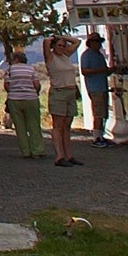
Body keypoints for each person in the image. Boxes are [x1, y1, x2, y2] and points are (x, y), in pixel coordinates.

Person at [44, 33, 82, 166]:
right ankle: (59, 156)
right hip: (58, 92)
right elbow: (46, 42)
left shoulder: (66, 56)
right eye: (59, 45)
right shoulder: (51, 58)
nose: (61, 47)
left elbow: (77, 42)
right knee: (58, 126)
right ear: (53, 46)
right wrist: (53, 38)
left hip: (70, 92)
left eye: (63, 45)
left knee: (67, 126)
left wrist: (63, 37)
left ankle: (69, 155)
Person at [2, 45, 44, 159]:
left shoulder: (10, 70)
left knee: (20, 127)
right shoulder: (31, 69)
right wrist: (35, 92)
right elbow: (36, 84)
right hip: (31, 98)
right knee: (34, 124)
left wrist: (13, 91)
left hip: (14, 99)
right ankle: (37, 150)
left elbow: (6, 85)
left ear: (15, 59)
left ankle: (25, 151)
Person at [79, 28, 114, 145]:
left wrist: (110, 70)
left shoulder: (99, 55)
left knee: (103, 113)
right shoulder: (86, 55)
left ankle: (101, 135)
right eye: (96, 42)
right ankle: (96, 138)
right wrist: (100, 70)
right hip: (95, 88)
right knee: (98, 113)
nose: (98, 44)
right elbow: (84, 71)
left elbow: (104, 72)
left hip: (102, 86)